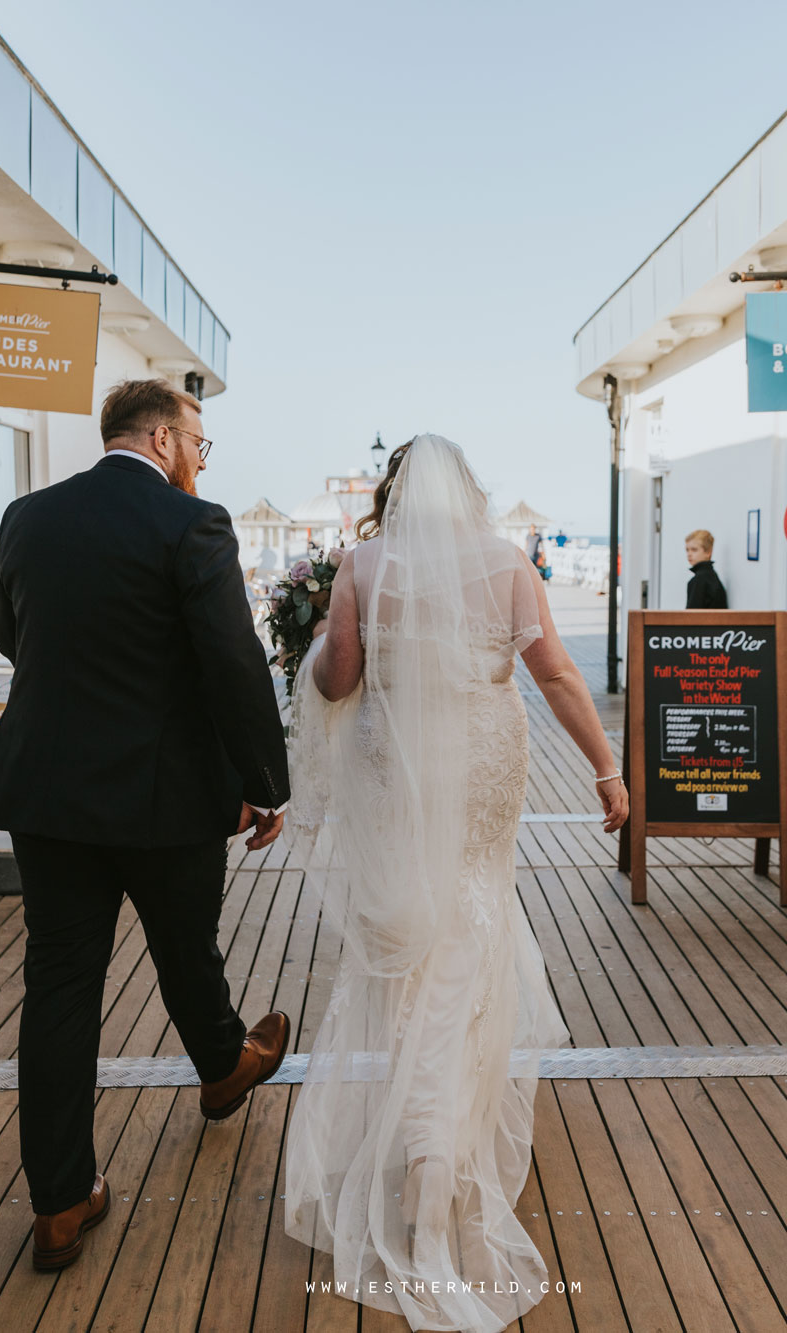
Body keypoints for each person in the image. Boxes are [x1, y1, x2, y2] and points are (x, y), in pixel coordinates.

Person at [281, 436, 628, 1332]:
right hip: (482, 755)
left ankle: (423, 1134)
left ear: (392, 496)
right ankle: (439, 1148)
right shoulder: (508, 562)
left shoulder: (361, 562)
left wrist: (318, 643)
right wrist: (605, 766)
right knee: (472, 920)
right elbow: (553, 671)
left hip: (399, 761)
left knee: (410, 924)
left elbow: (342, 676)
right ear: (466, 492)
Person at [0, 378, 292, 1272]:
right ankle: (224, 1070)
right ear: (160, 437)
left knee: (61, 982)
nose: (201, 457)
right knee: (186, 948)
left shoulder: (27, 516)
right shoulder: (194, 524)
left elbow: (11, 632)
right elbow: (234, 661)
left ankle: (61, 1201)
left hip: (49, 795)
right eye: (199, 440)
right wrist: (265, 781)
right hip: (167, 792)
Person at [685, 528, 728, 608]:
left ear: (708, 552)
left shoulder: (699, 580)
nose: (689, 554)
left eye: (694, 550)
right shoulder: (711, 575)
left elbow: (691, 616)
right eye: (687, 550)